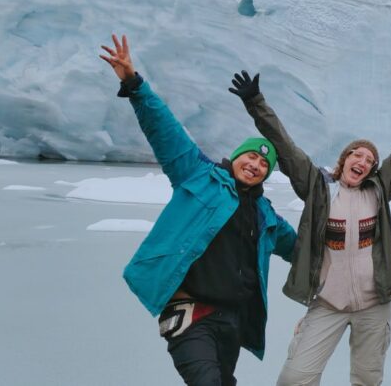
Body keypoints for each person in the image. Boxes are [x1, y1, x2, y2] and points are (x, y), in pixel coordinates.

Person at [100, 34, 298, 386]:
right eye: (251, 156)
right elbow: (166, 131)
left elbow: (299, 249)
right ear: (237, 156)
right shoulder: (199, 176)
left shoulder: (266, 216)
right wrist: (134, 85)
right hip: (190, 314)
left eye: (263, 164)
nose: (255, 165)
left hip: (233, 321)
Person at [226, 71, 391, 386]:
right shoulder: (318, 188)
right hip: (328, 303)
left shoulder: (378, 190)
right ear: (344, 160)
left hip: (374, 304)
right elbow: (285, 146)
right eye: (357, 154)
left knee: (367, 379)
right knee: (294, 378)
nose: (363, 161)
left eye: (370, 160)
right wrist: (255, 101)